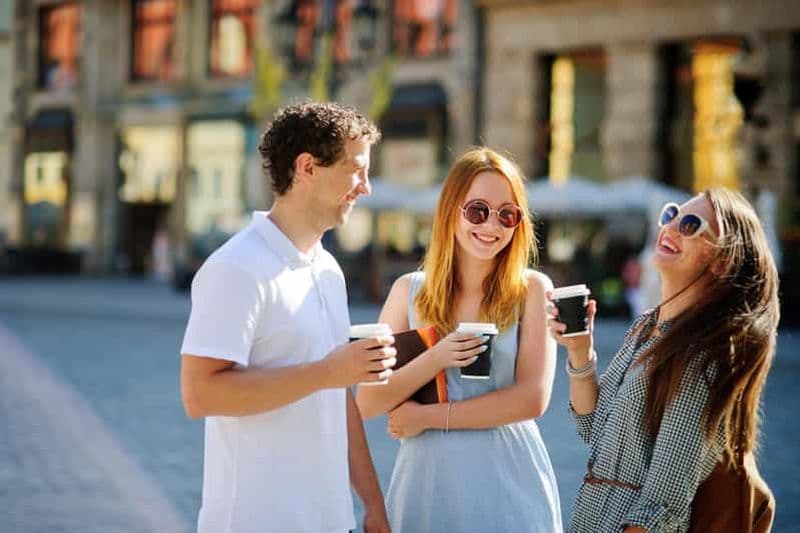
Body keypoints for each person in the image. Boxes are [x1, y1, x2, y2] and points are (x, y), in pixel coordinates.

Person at [180, 102, 394, 533]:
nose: (365, 187)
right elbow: (200, 394)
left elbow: (337, 398)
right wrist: (327, 373)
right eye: (356, 170)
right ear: (307, 168)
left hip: (333, 523)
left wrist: (373, 505)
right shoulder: (236, 268)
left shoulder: (328, 270)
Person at [547, 188, 780, 532]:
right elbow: (593, 429)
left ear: (722, 261)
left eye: (690, 224)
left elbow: (660, 509)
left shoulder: (700, 357)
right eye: (671, 214)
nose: (670, 227)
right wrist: (579, 351)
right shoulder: (646, 328)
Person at [356, 147, 562, 532]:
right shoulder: (407, 292)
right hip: (426, 485)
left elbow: (532, 399)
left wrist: (427, 417)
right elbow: (367, 402)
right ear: (451, 210)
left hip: (508, 481)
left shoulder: (533, 290)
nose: (492, 225)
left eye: (507, 214)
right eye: (478, 210)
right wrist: (436, 358)